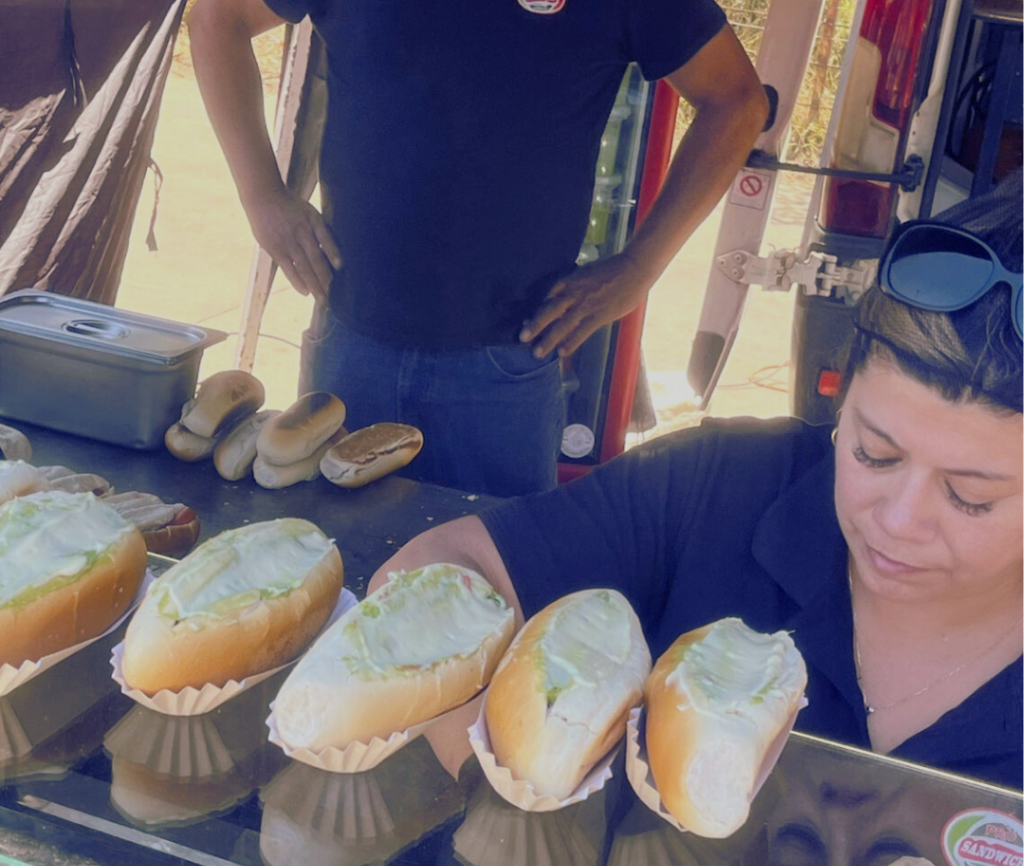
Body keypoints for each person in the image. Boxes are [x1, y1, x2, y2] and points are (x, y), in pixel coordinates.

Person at [369, 172, 1024, 789]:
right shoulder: (722, 486)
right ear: (842, 398)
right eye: (874, 454)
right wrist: (497, 786)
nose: (898, 520)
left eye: (970, 497)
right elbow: (435, 566)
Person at [187, 0, 768, 497]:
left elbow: (737, 101)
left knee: (485, 581)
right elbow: (216, 19)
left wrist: (640, 267)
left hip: (507, 369)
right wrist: (262, 197)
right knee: (333, 568)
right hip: (351, 344)